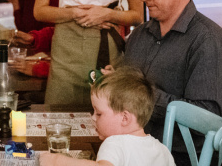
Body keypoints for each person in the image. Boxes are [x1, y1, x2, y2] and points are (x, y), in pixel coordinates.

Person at [113, 0, 222, 165]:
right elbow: (126, 83)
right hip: (136, 145)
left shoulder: (209, 40)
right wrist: (115, 80)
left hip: (184, 156)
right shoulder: (140, 34)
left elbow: (208, 119)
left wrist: (139, 96)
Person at [39, 68, 175, 166]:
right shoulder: (162, 150)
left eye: (99, 113)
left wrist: (56, 161)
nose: (93, 118)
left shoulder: (115, 143)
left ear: (125, 118)